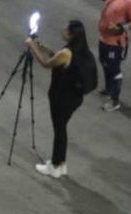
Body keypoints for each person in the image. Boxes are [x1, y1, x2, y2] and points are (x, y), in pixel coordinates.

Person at [27, 20, 89, 178]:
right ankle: (61, 164)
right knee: (61, 129)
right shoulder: (80, 49)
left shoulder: (66, 53)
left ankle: (54, 167)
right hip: (74, 97)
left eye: (65, 28)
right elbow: (65, 61)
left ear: (70, 34)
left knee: (59, 130)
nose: (62, 29)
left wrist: (32, 47)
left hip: (62, 98)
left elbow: (46, 64)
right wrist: (47, 48)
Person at [85, 0, 131, 111]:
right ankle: (109, 89)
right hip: (104, 38)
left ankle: (114, 100)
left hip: (115, 43)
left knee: (114, 70)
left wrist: (121, 28)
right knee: (104, 63)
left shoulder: (130, 2)